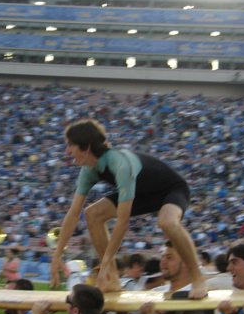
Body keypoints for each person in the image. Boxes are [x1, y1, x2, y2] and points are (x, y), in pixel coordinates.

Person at [49, 118, 208, 299]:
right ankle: (113, 280)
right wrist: (57, 255)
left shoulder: (120, 164)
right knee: (92, 214)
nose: (67, 151)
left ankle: (198, 278)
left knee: (167, 222)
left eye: (70, 145)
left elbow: (123, 222)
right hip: (143, 193)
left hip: (171, 190)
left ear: (86, 147)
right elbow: (73, 213)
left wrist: (107, 261)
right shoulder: (88, 170)